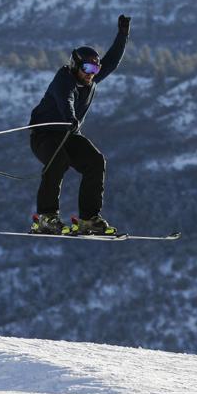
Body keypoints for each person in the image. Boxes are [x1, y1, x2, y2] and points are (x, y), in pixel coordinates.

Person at [27, 14, 131, 236]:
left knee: (95, 162)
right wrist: (70, 117)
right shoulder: (64, 77)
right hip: (44, 135)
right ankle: (47, 218)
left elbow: (111, 61)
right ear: (75, 65)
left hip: (68, 133)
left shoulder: (90, 78)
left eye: (95, 70)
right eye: (87, 69)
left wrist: (123, 35)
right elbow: (66, 98)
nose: (91, 75)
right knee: (58, 162)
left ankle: (88, 219)